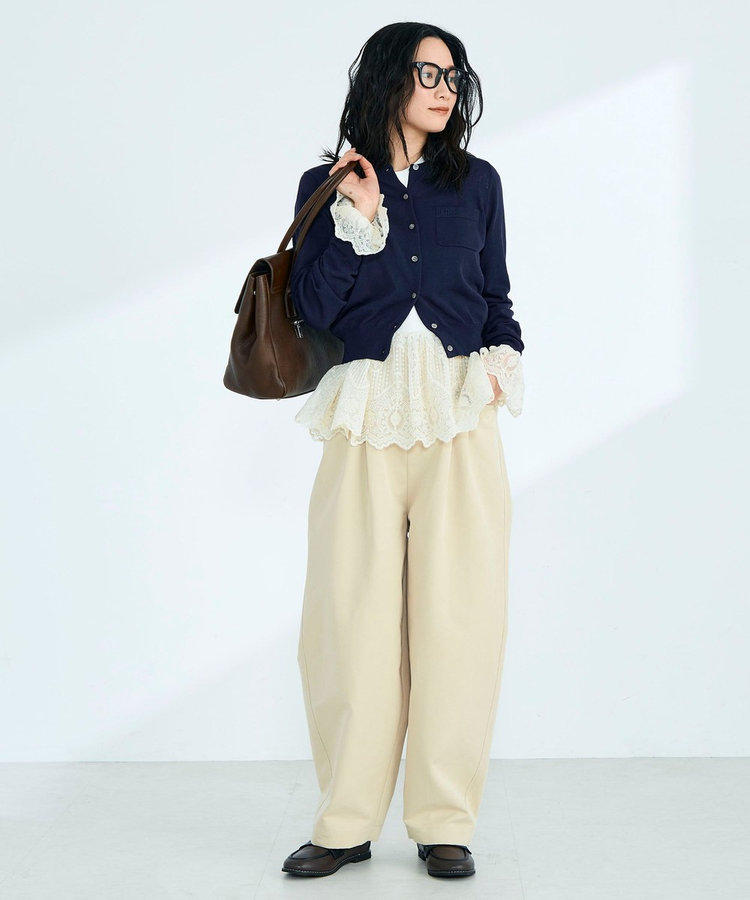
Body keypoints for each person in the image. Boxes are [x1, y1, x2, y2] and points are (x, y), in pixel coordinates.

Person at [281, 21, 525, 880]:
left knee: (460, 619)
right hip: (364, 417)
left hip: (459, 417)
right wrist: (360, 218)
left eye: (454, 76)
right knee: (350, 620)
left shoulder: (478, 183)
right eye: (427, 72)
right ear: (388, 77)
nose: (444, 88)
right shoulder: (330, 183)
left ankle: (443, 820)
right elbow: (312, 309)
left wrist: (499, 363)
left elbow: (497, 297)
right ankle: (346, 821)